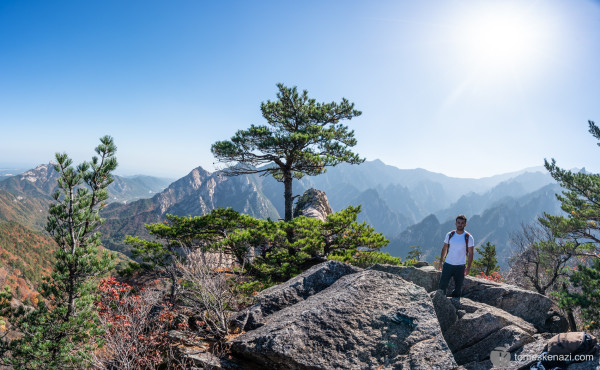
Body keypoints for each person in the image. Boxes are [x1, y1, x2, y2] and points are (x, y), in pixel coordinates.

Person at [437, 214, 474, 298]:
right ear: (455, 223)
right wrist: (441, 262)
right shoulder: (450, 235)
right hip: (448, 264)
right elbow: (444, 248)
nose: (460, 224)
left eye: (462, 223)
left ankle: (454, 306)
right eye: (458, 222)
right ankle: (440, 303)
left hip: (460, 266)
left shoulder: (468, 237)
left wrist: (468, 267)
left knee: (458, 288)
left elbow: (471, 253)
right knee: (442, 286)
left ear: (465, 224)